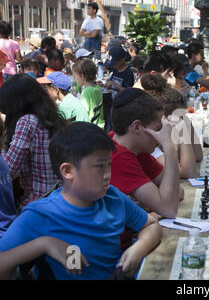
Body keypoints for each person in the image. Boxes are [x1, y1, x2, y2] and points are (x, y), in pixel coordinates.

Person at [0, 122, 162, 279]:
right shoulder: (40, 215)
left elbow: (151, 225)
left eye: (109, 165)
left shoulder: (112, 198)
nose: (107, 175)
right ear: (68, 170)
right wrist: (43, 244)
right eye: (99, 166)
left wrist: (140, 248)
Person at [109, 88, 181, 231]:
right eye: (158, 128)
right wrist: (170, 148)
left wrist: (147, 204)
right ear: (137, 127)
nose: (163, 134)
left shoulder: (133, 149)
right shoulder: (119, 157)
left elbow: (177, 192)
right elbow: (169, 209)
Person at [0, 74, 66, 209]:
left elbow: (8, 169)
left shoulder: (28, 121)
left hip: (38, 202)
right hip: (57, 195)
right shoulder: (49, 116)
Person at [141, 73, 203, 178]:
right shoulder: (149, 140)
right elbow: (189, 173)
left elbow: (198, 155)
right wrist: (183, 130)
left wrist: (186, 122)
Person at [72, 59, 105, 128]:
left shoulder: (86, 92)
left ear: (82, 76)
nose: (75, 79)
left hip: (89, 130)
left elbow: (82, 115)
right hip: (99, 127)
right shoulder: (98, 88)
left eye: (75, 76)